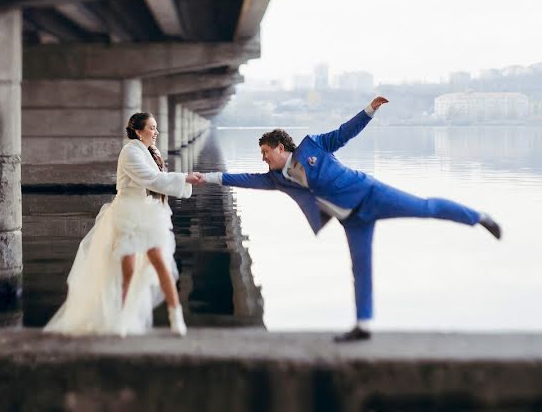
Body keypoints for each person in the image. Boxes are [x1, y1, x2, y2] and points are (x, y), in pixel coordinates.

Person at [190, 96, 502, 342]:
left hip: (371, 195)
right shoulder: (276, 179)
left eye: (265, 152)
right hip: (352, 219)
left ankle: (478, 217)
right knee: (361, 267)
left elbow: (344, 133)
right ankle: (363, 325)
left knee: (426, 208)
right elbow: (241, 178)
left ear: (281, 148)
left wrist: (369, 110)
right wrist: (206, 177)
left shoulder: (314, 146)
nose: (263, 158)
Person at [44, 112, 195, 337]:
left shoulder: (152, 152)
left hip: (149, 213)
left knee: (160, 262)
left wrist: (183, 180)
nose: (156, 132)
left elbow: (158, 183)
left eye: (156, 128)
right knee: (129, 270)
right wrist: (184, 178)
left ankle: (176, 317)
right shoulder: (130, 152)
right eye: (152, 128)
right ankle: (123, 319)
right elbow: (151, 179)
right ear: (138, 131)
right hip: (127, 213)